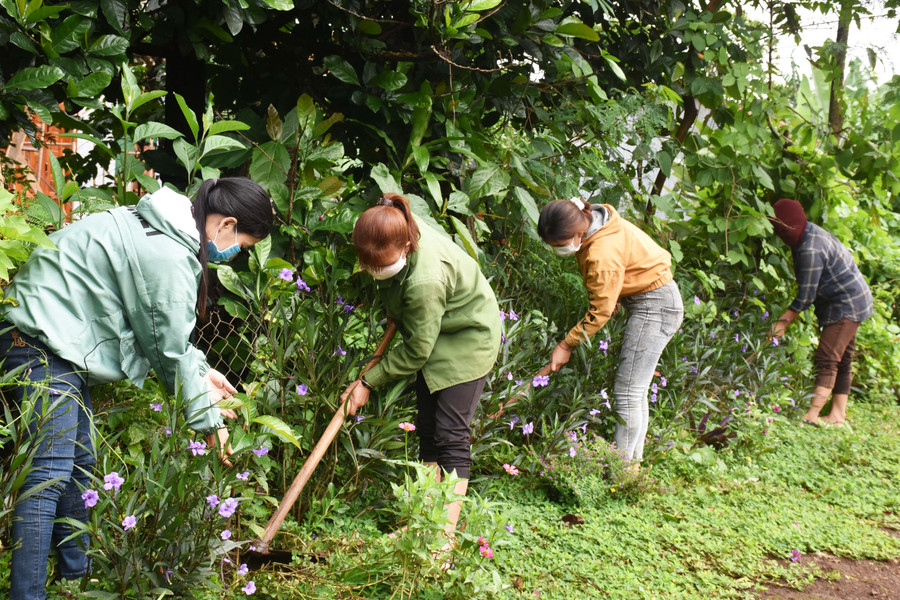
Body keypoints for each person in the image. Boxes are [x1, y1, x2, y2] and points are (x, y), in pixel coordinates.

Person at [1, 177, 273, 600]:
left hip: (51, 341)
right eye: (243, 245)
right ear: (226, 225)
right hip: (39, 342)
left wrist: (203, 374)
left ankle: (75, 584)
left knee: (78, 467)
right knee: (48, 476)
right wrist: (210, 422)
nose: (235, 254)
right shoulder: (167, 254)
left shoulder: (162, 227)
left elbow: (160, 331)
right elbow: (168, 349)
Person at [340, 193, 500, 536]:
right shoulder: (391, 226)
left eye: (383, 266)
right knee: (427, 430)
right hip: (434, 327)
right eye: (370, 266)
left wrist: (367, 382)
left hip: (468, 337)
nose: (376, 272)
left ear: (408, 246)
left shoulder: (425, 281)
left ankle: (442, 538)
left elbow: (416, 352)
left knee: (450, 435)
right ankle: (424, 522)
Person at [537, 198, 683, 463]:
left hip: (654, 306)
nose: (557, 250)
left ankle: (621, 471)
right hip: (655, 299)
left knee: (628, 392)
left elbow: (600, 312)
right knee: (635, 391)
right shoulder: (594, 221)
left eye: (560, 244)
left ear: (578, 232)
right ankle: (632, 467)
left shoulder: (602, 251)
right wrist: (615, 291)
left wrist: (566, 344)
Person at [767, 198, 872, 427]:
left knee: (828, 358)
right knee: (843, 358)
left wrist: (782, 323)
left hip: (848, 304)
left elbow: (806, 296)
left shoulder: (810, 248)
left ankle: (811, 416)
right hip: (853, 298)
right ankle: (837, 416)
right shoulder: (807, 234)